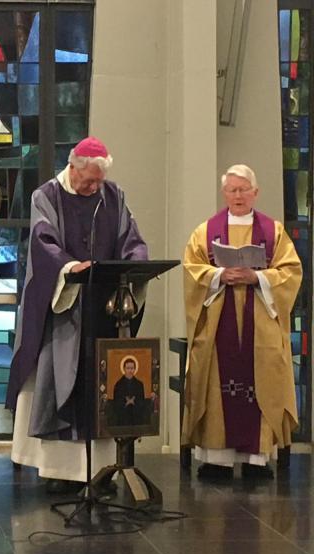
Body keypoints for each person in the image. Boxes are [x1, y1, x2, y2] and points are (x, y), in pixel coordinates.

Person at [5, 136, 148, 493]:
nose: (94, 187)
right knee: (60, 378)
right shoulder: (47, 196)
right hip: (64, 304)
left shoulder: (113, 196)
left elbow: (131, 238)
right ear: (73, 168)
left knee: (101, 383)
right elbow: (42, 240)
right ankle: (58, 471)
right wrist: (69, 267)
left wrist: (135, 265)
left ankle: (101, 469)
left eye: (99, 180)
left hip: (104, 307)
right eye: (89, 180)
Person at [182, 164, 301, 480]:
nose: (238, 195)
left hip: (260, 322)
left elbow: (291, 272)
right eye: (232, 190)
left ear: (255, 193)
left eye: (243, 189)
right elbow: (192, 270)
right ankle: (215, 458)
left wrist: (257, 276)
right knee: (215, 381)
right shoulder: (205, 231)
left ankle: (256, 459)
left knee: (261, 377)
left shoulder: (273, 231)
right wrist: (220, 274)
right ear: (224, 193)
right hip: (218, 323)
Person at [107, 358, 153, 428]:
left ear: (135, 369)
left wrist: (134, 402)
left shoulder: (139, 384)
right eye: (128, 368)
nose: (130, 370)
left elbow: (142, 400)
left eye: (132, 368)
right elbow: (116, 402)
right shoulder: (119, 384)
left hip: (136, 415)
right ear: (124, 369)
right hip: (122, 416)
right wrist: (126, 402)